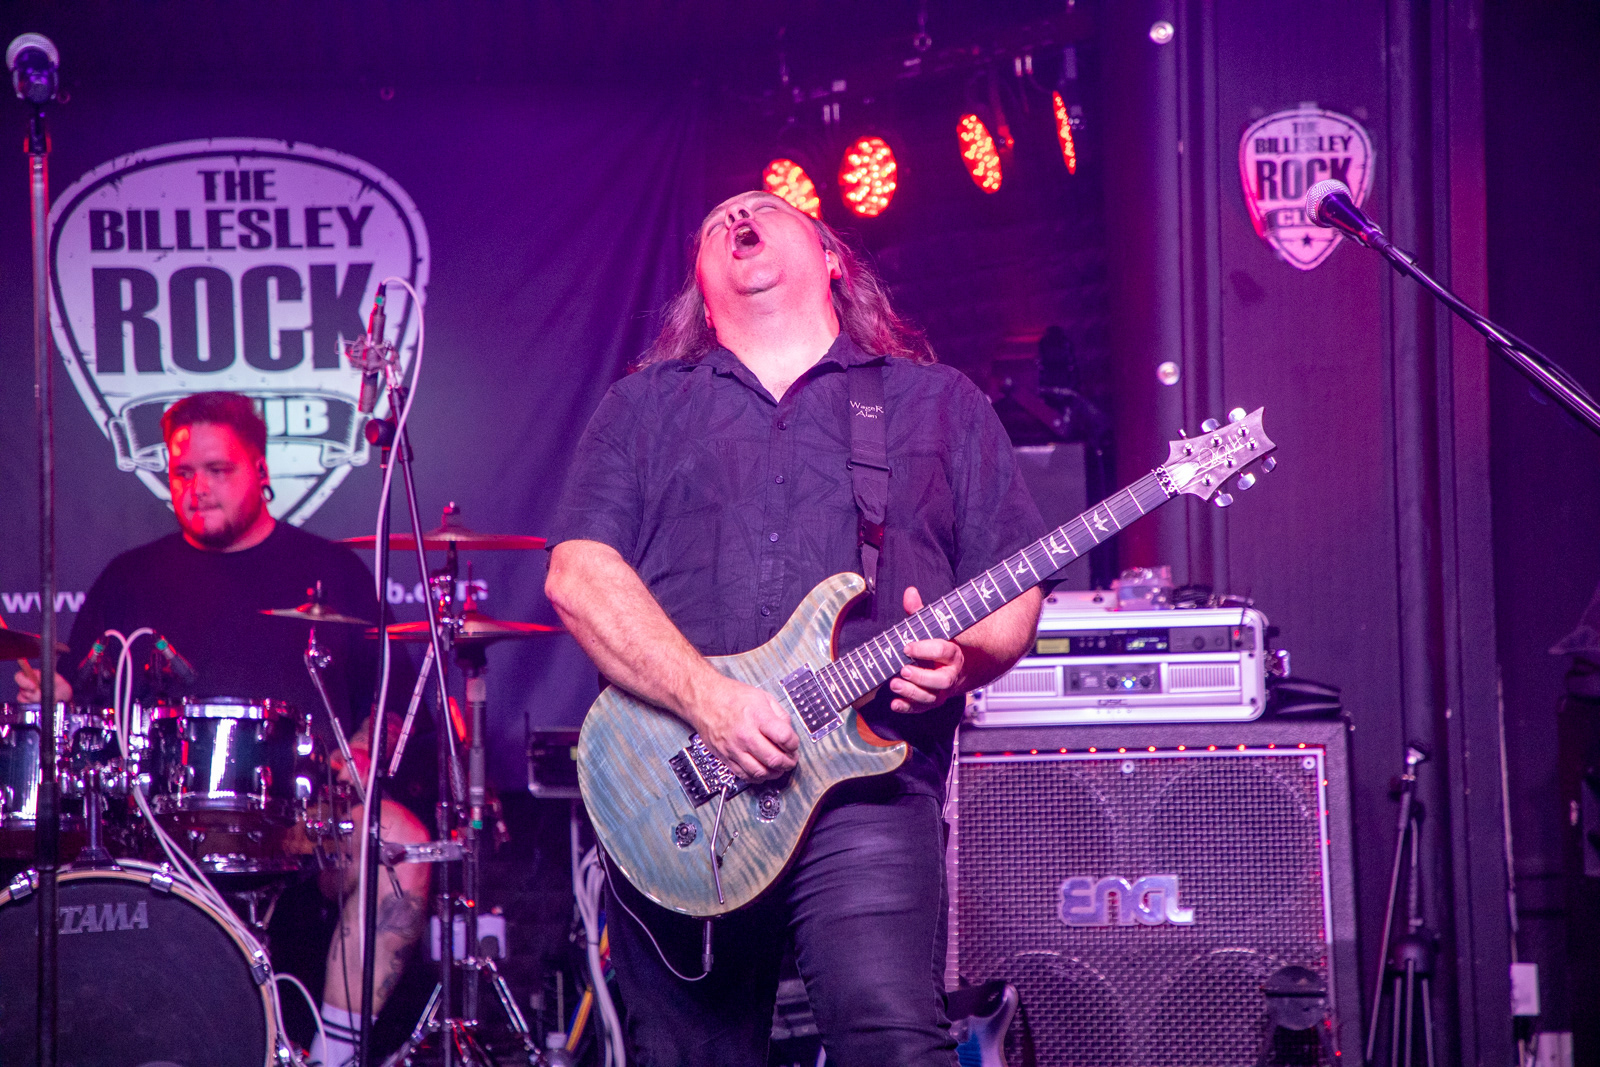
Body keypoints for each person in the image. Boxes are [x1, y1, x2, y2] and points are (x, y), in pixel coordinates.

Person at [544, 190, 1046, 1066]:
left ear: (833, 259)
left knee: (893, 1040)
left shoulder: (936, 402)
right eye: (716, 221)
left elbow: (1014, 583)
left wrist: (965, 659)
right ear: (703, 295)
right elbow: (578, 575)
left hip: (867, 784)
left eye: (765, 209)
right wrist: (710, 702)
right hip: (680, 784)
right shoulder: (643, 408)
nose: (738, 218)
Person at [14, 391, 430, 1067]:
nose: (197, 488)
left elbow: (392, 700)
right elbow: (85, 710)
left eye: (217, 469)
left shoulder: (332, 572)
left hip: (299, 817)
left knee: (403, 848)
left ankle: (334, 1057)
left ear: (260, 469)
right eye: (183, 472)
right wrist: (57, 698)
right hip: (157, 825)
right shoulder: (129, 579)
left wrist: (357, 751)